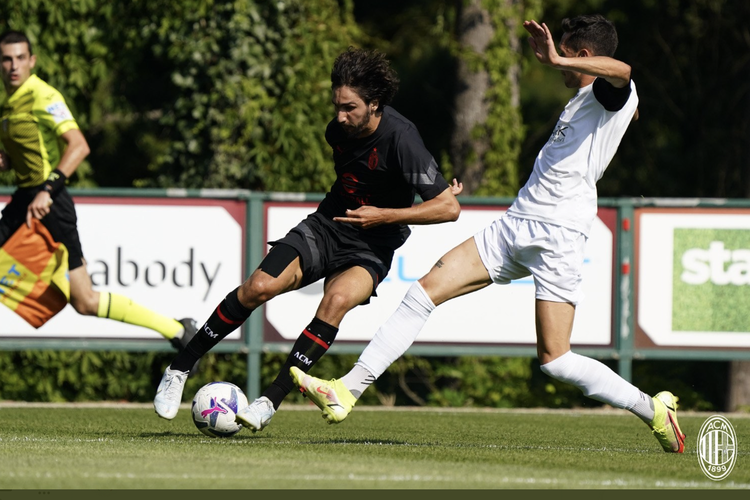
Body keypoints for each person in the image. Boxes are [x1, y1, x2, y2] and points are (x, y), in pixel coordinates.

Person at [292, 15, 686, 454]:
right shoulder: (580, 101)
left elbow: (625, 74)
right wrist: (559, 61)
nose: (556, 62)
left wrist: (554, 59)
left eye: (566, 53)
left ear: (586, 57)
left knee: (555, 361)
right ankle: (347, 391)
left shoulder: (608, 96)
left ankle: (651, 409)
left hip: (560, 233)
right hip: (517, 223)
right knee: (423, 292)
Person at [152, 47, 463, 427]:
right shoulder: (338, 132)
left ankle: (270, 400)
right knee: (258, 287)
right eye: (336, 104)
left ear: (375, 104)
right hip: (326, 227)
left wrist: (386, 214)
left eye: (349, 107)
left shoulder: (402, 138)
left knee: (336, 301)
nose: (339, 116)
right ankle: (180, 368)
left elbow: (448, 208)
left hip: (373, 245)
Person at [0, 30, 197, 350]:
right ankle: (178, 331)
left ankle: (177, 331)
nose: (13, 65)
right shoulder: (7, 102)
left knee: (86, 301)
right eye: (7, 58)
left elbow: (78, 146)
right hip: (24, 198)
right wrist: (9, 159)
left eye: (20, 58)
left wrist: (48, 190)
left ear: (32, 61)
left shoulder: (42, 95)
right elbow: (31, 149)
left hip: (49, 203)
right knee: (83, 301)